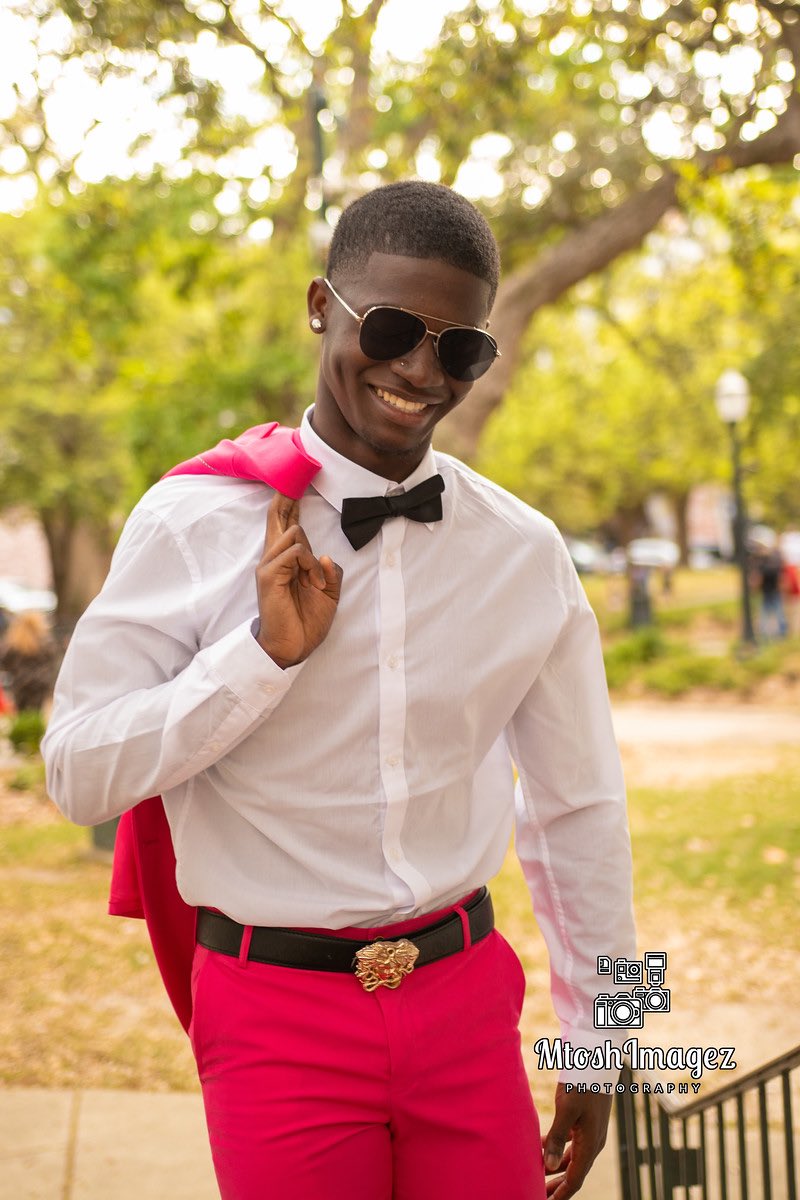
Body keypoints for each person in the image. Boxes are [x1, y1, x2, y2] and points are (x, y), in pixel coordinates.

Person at [42, 181, 635, 1200]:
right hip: (273, 1014)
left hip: (464, 1005)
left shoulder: (523, 553)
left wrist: (607, 1041)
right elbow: (76, 773)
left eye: (460, 348)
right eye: (394, 328)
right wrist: (257, 661)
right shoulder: (194, 522)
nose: (418, 370)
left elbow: (581, 808)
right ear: (323, 305)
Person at [0, 609, 58, 713]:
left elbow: (4, 662)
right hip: (41, 686)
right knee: (37, 715)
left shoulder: (13, 644)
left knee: (20, 714)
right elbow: (52, 664)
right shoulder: (46, 644)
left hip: (20, 686)